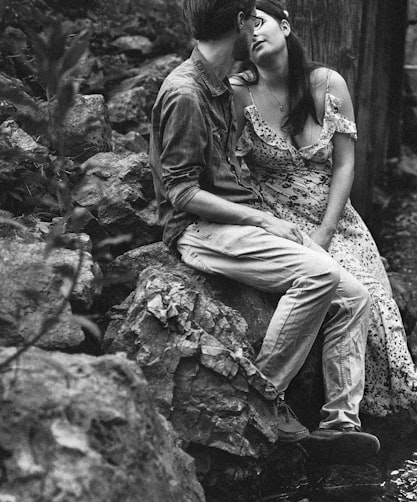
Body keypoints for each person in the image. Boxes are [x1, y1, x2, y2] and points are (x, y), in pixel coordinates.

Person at [231, 0, 417, 444]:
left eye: (260, 22)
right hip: (278, 216)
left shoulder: (327, 83)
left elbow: (345, 165)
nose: (252, 33)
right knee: (345, 289)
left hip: (336, 216)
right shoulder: (239, 92)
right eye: (244, 29)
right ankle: (379, 416)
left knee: (372, 292)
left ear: (285, 26)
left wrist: (327, 231)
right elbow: (231, 167)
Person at [150, 0, 380, 462]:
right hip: (200, 229)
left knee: (355, 296)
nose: (256, 33)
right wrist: (262, 219)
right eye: (252, 22)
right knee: (318, 275)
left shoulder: (218, 85)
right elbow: (180, 192)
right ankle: (259, 402)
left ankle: (338, 423)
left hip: (238, 217)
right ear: (238, 24)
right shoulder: (185, 93)